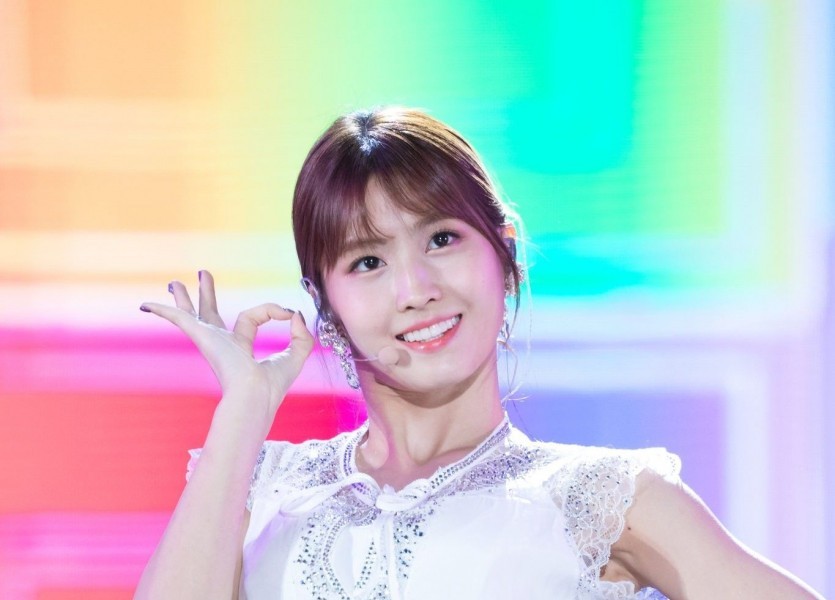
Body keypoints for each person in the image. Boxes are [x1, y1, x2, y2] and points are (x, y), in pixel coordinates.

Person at [134, 107, 823, 600]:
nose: (416, 290)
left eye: (442, 240)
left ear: (505, 254)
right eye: (368, 261)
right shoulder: (257, 486)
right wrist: (243, 411)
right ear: (325, 302)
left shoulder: (599, 498)